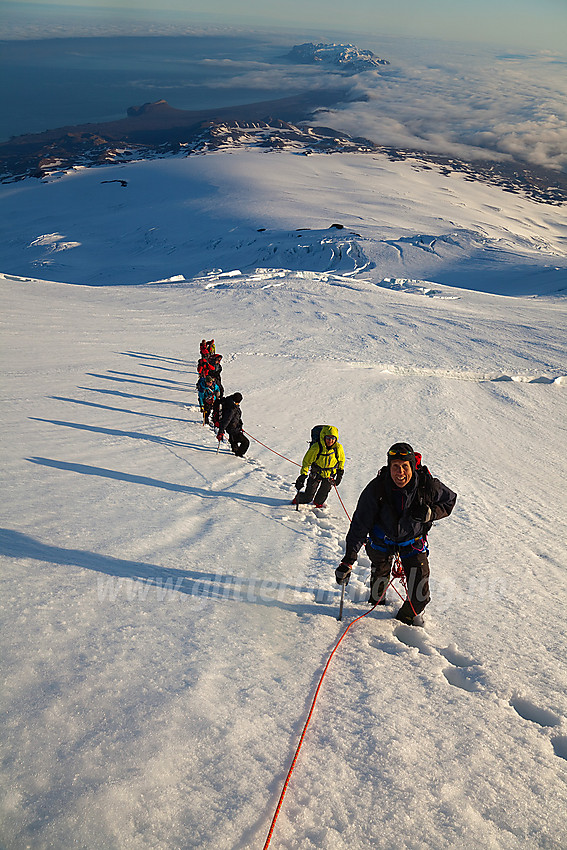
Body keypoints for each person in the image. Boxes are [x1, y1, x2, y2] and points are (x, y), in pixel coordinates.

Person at [335, 442, 456, 626]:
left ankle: (400, 622)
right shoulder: (377, 488)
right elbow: (360, 524)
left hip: (412, 544)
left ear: (412, 467)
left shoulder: (427, 485)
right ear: (389, 467)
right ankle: (376, 606)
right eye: (395, 467)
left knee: (420, 597)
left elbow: (450, 500)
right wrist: (348, 559)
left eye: (404, 467)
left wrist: (431, 513)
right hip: (381, 542)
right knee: (377, 590)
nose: (400, 472)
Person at [293, 425, 345, 508]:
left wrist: (339, 475)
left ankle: (318, 507)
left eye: (333, 438)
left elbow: (341, 461)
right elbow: (306, 462)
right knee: (307, 497)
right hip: (316, 473)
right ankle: (297, 499)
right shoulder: (316, 447)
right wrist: (303, 476)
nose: (330, 441)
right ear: (324, 437)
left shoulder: (338, 448)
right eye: (328, 438)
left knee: (320, 500)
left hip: (330, 475)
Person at [217, 392, 249, 457]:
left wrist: (239, 425)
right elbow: (226, 421)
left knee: (234, 440)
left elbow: (236, 418)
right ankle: (239, 454)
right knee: (246, 442)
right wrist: (220, 432)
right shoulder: (232, 409)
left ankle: (234, 448)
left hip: (233, 428)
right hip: (233, 429)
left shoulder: (230, 403)